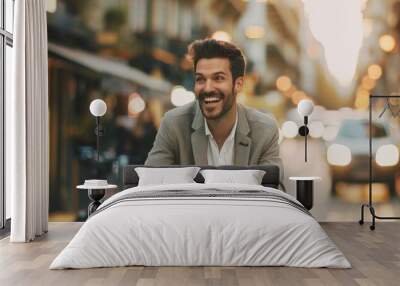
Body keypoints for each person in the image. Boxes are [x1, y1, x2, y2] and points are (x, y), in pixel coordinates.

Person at [145, 38, 283, 178]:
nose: (208, 88)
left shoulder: (264, 130)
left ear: (238, 84)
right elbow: (150, 183)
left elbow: (274, 192)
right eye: (200, 79)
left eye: (218, 78)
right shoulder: (173, 124)